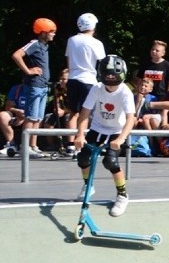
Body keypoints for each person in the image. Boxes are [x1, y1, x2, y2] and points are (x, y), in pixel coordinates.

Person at [73, 55, 136, 217]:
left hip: (116, 131)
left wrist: (121, 139)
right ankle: (89, 186)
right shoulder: (96, 89)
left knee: (110, 161)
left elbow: (131, 118)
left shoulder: (125, 92)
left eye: (113, 76)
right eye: (107, 76)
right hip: (97, 128)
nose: (110, 82)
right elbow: (85, 113)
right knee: (83, 158)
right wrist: (80, 134)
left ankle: (122, 195)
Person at [11, 18, 56, 158]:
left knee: (38, 118)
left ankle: (33, 146)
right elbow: (16, 55)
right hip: (34, 85)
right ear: (43, 33)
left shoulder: (45, 46)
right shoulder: (35, 44)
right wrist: (28, 71)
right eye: (51, 32)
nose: (54, 34)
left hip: (43, 86)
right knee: (30, 116)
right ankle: (25, 147)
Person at [65, 13, 106, 156]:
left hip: (73, 78)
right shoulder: (96, 43)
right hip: (88, 80)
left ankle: (70, 145)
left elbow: (69, 60)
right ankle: (83, 143)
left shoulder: (71, 40)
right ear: (93, 26)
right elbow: (102, 63)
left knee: (73, 113)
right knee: (86, 113)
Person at [42, 67, 70, 151]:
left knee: (68, 117)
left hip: (71, 113)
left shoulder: (74, 90)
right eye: (60, 79)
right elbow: (56, 101)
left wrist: (64, 111)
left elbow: (77, 108)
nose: (61, 81)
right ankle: (51, 144)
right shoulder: (57, 89)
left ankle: (70, 144)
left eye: (64, 79)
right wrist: (56, 108)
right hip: (59, 113)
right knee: (48, 117)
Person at [1, 80, 26, 155]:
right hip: (16, 114)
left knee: (36, 118)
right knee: (3, 115)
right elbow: (8, 107)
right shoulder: (16, 89)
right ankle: (11, 145)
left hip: (30, 116)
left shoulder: (36, 91)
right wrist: (17, 111)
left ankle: (27, 146)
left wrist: (24, 118)